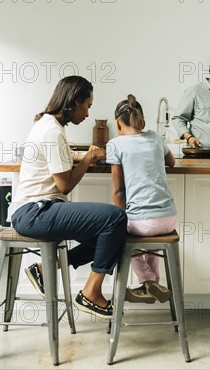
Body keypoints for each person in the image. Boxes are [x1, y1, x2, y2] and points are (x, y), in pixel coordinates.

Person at [8, 76, 127, 320]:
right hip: (35, 213)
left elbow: (58, 154)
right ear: (74, 101)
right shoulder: (52, 131)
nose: (87, 112)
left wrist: (81, 154)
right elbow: (64, 186)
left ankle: (45, 268)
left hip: (33, 210)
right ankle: (90, 293)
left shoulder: (48, 124)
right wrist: (86, 159)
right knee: (115, 218)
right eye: (87, 105)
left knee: (113, 235)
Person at [106, 94, 177, 304]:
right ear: (142, 120)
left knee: (123, 237)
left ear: (118, 123)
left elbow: (118, 191)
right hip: (169, 218)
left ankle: (146, 281)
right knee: (152, 241)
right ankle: (153, 282)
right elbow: (171, 162)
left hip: (143, 223)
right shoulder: (156, 137)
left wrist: (120, 221)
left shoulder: (115, 145)